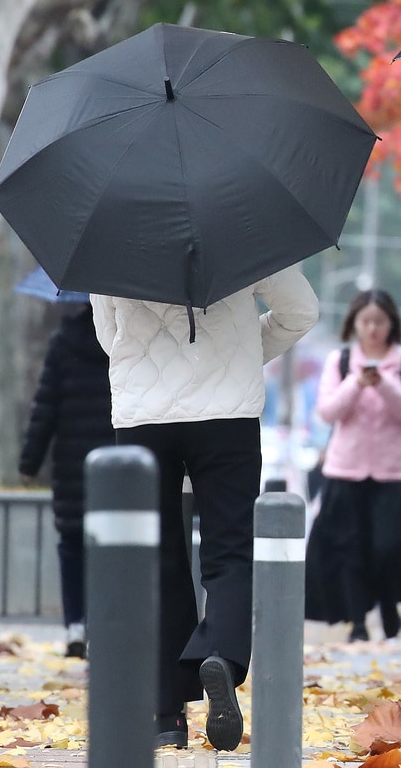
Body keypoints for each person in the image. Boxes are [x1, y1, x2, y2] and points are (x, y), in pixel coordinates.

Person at [92, 266, 318, 753]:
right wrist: (242, 353)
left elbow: (110, 335)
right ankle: (221, 656)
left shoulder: (111, 238)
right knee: (231, 549)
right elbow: (300, 311)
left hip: (144, 415)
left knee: (154, 560)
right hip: (227, 413)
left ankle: (166, 714)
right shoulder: (246, 228)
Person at [304, 289, 401, 642]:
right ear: (354, 324)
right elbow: (327, 412)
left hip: (392, 474)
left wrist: (384, 383)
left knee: (388, 547)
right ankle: (358, 622)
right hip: (345, 472)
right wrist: (357, 383)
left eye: (380, 321)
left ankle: (389, 608)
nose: (373, 329)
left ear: (391, 324)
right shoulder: (341, 361)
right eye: (366, 321)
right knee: (350, 550)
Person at [18, 303, 116, 659]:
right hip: (118, 464)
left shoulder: (65, 339)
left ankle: (75, 624)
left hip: (73, 463)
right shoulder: (126, 338)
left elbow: (45, 407)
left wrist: (29, 463)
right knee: (112, 549)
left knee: (72, 546)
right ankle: (103, 626)